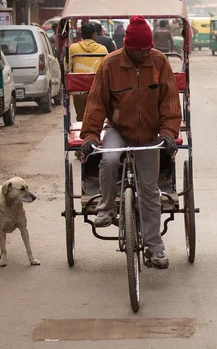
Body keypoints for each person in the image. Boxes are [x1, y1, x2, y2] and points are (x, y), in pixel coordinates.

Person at [80, 15, 182, 269]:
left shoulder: (159, 62)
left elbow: (170, 103)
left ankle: (155, 248)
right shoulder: (109, 64)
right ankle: (105, 208)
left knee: (149, 192)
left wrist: (168, 134)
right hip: (119, 129)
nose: (145, 53)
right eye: (140, 50)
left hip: (149, 134)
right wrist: (90, 136)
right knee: (110, 158)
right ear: (128, 47)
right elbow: (95, 103)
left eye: (148, 48)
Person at [68, 23, 108, 122]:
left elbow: (69, 68)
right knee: (97, 118)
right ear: (94, 34)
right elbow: (107, 70)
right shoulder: (102, 49)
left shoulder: (73, 48)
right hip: (97, 89)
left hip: (78, 89)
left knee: (81, 118)